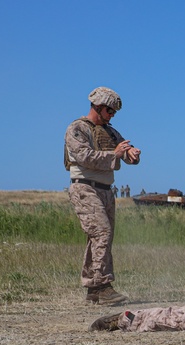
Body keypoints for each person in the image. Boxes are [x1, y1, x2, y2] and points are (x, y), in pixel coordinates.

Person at [65, 87, 142, 306]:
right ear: (98, 107)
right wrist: (115, 154)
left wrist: (131, 154)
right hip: (85, 188)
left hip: (106, 190)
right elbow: (84, 156)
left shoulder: (109, 131)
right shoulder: (77, 129)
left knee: (101, 238)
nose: (112, 116)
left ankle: (93, 289)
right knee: (102, 232)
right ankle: (102, 287)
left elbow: (125, 149)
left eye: (114, 113)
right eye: (109, 111)